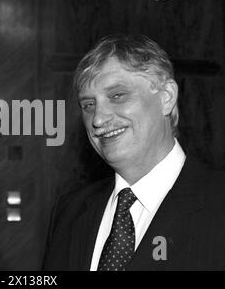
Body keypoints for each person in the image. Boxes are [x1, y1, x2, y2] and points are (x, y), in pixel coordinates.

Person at [43, 34, 225, 270]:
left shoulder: (217, 202)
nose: (97, 119)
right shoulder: (71, 210)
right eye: (88, 105)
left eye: (117, 96)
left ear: (166, 97)